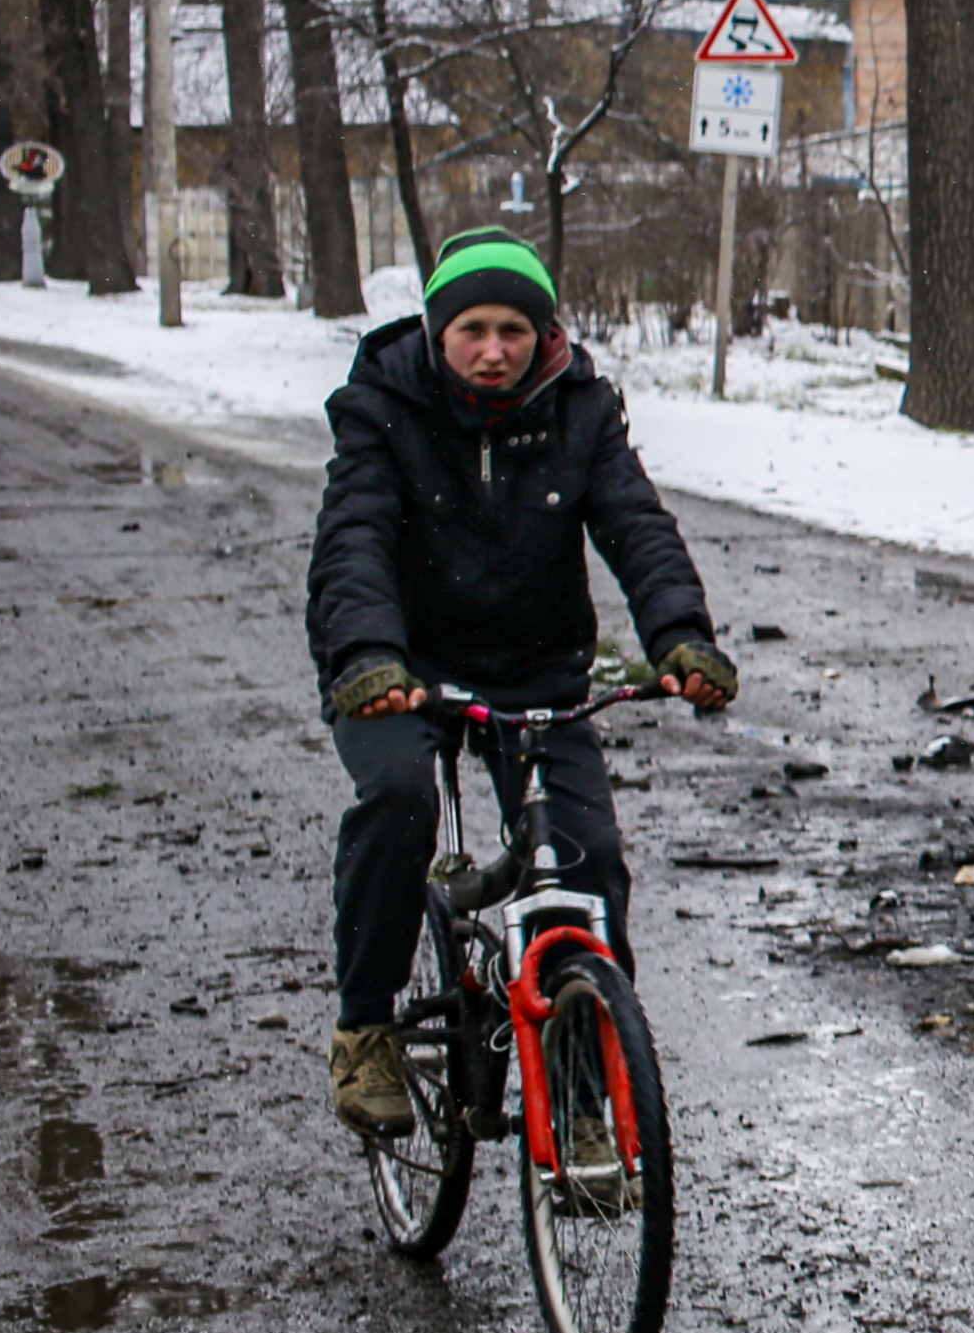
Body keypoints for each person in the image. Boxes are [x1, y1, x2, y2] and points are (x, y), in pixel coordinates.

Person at [305, 228, 737, 1137]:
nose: (494, 350)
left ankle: (583, 1101)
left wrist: (682, 638)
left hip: (536, 668)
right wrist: (367, 658)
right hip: (400, 668)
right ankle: (368, 1026)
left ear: (541, 332)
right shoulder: (383, 401)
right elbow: (355, 539)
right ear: (437, 332)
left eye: (513, 329)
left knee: (586, 856)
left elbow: (636, 525)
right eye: (473, 330)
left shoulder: (580, 407)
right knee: (396, 799)